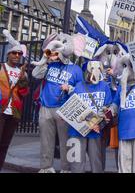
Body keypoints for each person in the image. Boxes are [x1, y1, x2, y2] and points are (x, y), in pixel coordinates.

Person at [31, 33, 85, 173]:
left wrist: (70, 88)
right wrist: (45, 58)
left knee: (65, 141)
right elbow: (36, 74)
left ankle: (65, 168)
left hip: (64, 109)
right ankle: (45, 167)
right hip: (46, 107)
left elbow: (80, 91)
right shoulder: (50, 64)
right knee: (46, 140)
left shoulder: (76, 69)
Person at [67, 61, 113, 173]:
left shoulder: (104, 87)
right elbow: (72, 108)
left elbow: (109, 109)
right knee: (76, 164)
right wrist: (91, 122)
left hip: (96, 131)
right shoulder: (78, 86)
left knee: (97, 164)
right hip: (77, 130)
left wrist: (99, 124)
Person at [0, 30, 29, 170]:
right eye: (14, 53)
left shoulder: (22, 72)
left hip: (14, 113)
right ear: (8, 54)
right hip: (1, 110)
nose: (17, 56)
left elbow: (24, 93)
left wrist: (23, 79)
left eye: (20, 54)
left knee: (5, 145)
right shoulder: (1, 68)